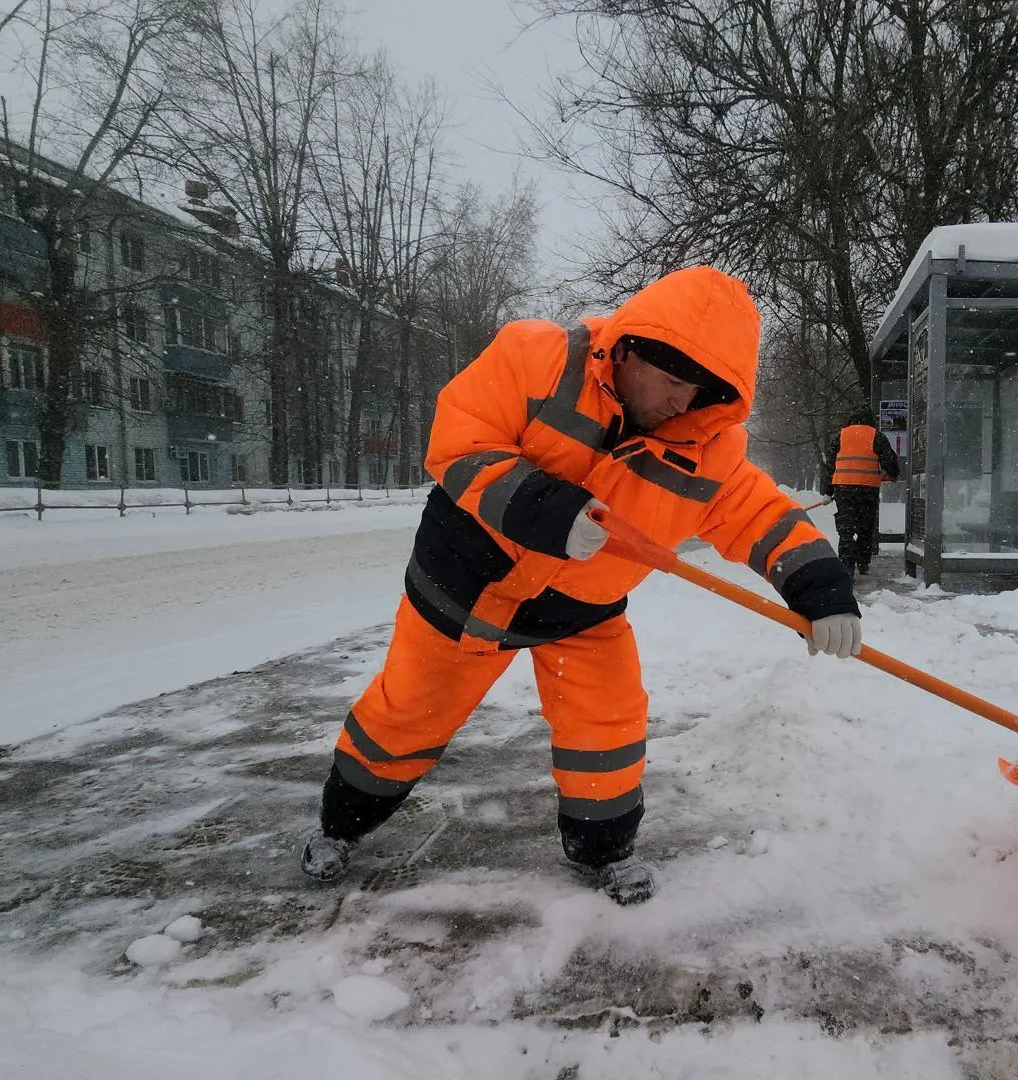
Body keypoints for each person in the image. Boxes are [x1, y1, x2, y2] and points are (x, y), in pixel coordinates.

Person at [300, 266, 862, 906]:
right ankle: (340, 826)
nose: (684, 403)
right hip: (466, 591)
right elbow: (461, 442)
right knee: (404, 718)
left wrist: (822, 590)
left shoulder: (708, 450)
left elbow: (764, 516)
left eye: (700, 391)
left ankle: (603, 850)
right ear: (631, 350)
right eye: (675, 381)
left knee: (609, 725)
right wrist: (545, 509)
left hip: (582, 612)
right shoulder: (536, 359)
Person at [821, 409, 902, 576]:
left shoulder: (841, 436)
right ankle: (863, 561)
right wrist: (892, 474)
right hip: (867, 490)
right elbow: (889, 459)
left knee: (846, 530)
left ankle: (846, 565)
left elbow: (830, 463)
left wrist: (827, 491)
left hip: (843, 490)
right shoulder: (875, 435)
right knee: (865, 527)